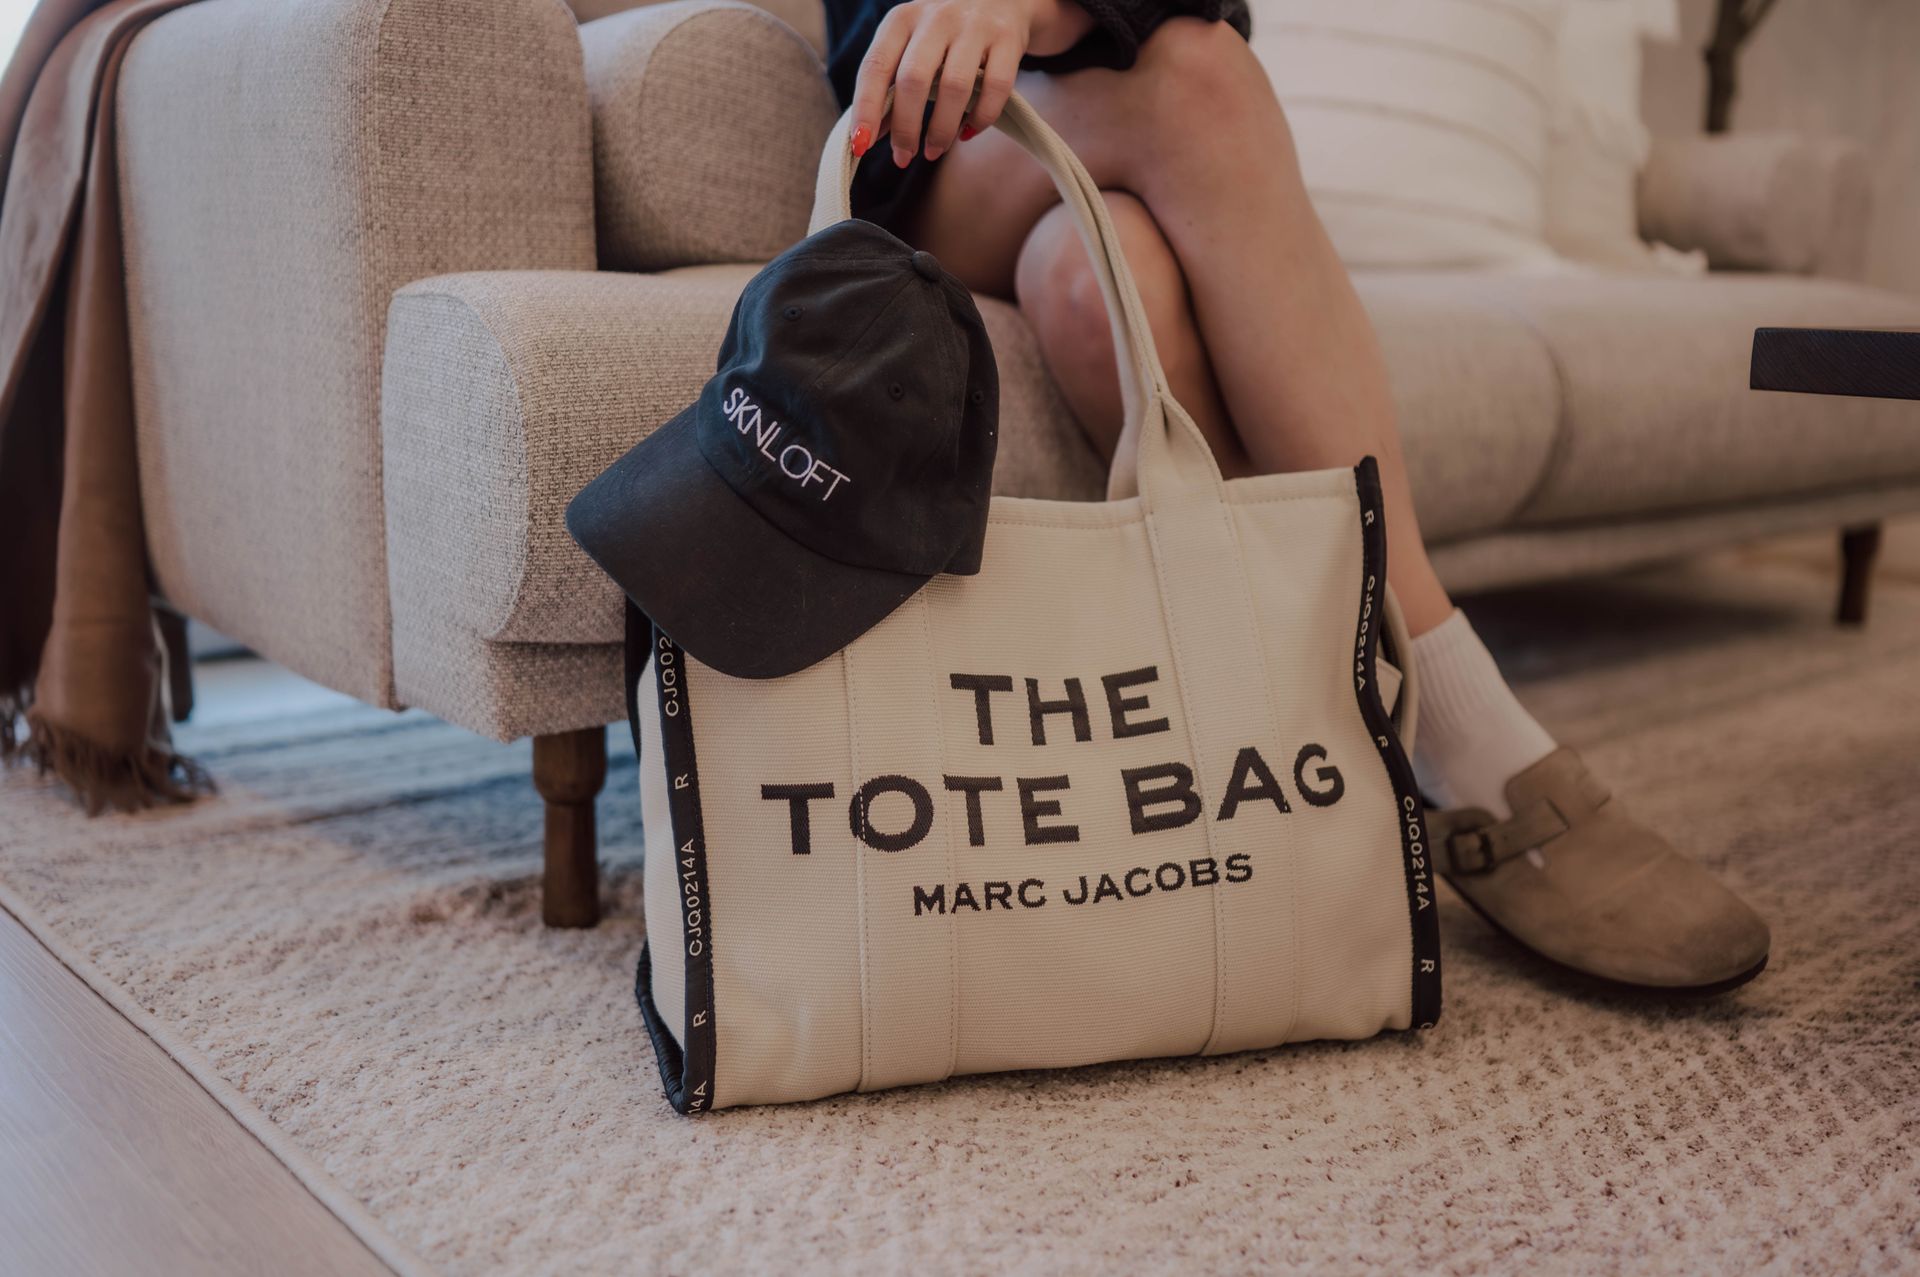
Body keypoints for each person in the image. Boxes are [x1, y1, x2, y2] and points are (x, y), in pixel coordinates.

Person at [824, 0, 1772, 993]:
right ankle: (1453, 717)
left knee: (1099, 281)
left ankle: (1306, 691)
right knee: (1198, 73)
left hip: (1081, 119)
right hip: (928, 155)